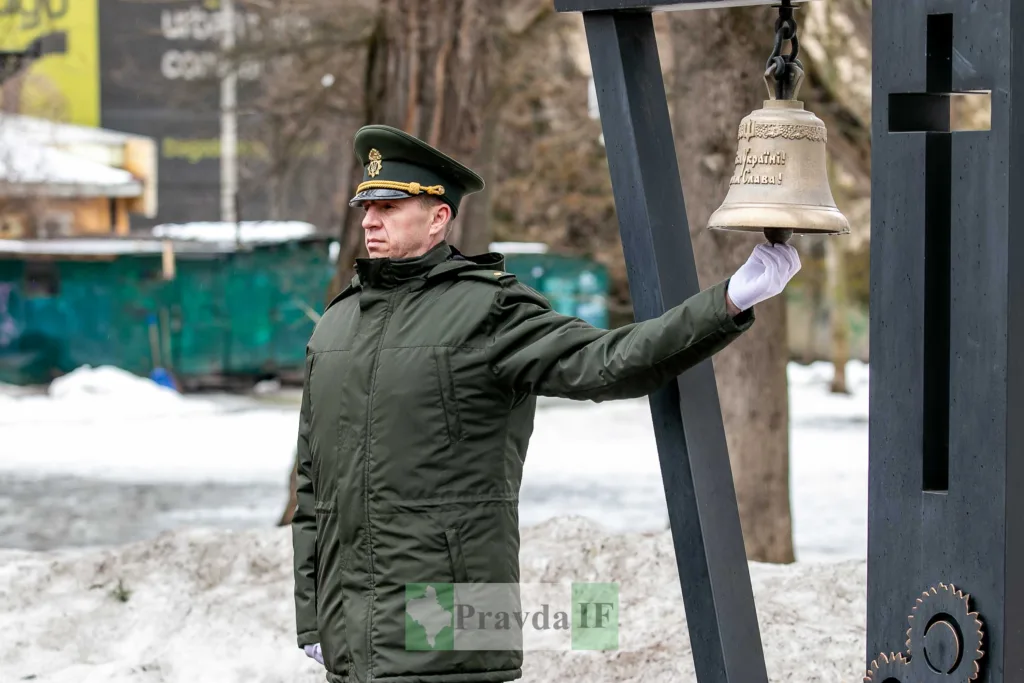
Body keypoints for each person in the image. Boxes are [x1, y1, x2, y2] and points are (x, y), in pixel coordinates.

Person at [292, 125, 800, 682]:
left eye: (388, 206)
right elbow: (314, 487)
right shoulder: (336, 324)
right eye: (366, 207)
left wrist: (730, 301)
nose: (369, 220)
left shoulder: (487, 309)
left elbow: (606, 360)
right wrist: (313, 618)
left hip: (447, 630)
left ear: (438, 217)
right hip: (348, 643)